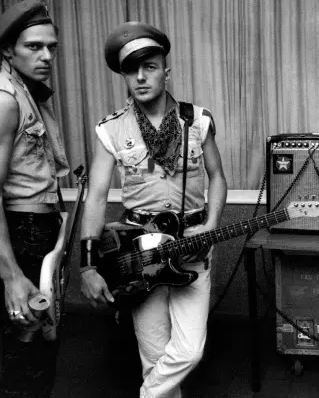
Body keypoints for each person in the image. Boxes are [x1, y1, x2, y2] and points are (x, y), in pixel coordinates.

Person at [79, 21, 227, 398]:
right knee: (155, 355)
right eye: (132, 70)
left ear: (166, 71)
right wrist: (88, 264)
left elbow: (217, 177)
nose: (141, 77)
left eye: (151, 67)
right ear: (124, 76)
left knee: (189, 351)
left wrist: (210, 226)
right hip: (138, 255)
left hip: (192, 249)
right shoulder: (111, 130)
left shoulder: (198, 120)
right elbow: (96, 197)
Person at [0, 0, 70, 396]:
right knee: (25, 345)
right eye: (33, 47)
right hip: (20, 231)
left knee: (41, 344)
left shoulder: (29, 93)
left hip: (38, 228)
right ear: (9, 49)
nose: (46, 56)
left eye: (51, 47)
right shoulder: (6, 99)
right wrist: (11, 276)